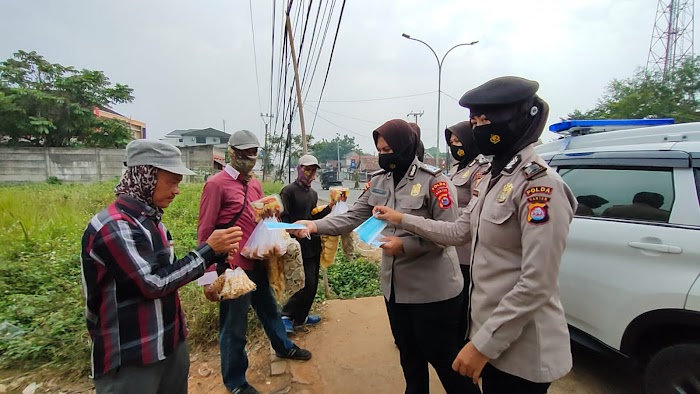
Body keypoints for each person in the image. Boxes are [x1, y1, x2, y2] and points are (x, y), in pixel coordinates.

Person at [374, 77, 577, 394]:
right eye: (474, 121)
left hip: (524, 348)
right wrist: (402, 218)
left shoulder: (539, 185)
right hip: (494, 338)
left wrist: (482, 345)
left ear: (518, 119)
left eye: (485, 120)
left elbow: (537, 282)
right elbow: (457, 231)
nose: (478, 128)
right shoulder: (497, 179)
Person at [292, 119, 479, 394]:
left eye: (389, 148)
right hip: (396, 290)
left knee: (444, 360)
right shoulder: (379, 179)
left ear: (406, 146)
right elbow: (355, 215)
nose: (384, 154)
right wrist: (313, 226)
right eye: (380, 149)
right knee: (409, 355)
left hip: (433, 292)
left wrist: (405, 246)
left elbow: (449, 235)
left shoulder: (435, 182)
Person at [81, 140, 243, 394]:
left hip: (169, 342)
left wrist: (211, 268)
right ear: (146, 175)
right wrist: (209, 250)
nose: (177, 190)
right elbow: (153, 283)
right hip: (133, 354)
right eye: (172, 181)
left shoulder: (154, 222)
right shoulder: (114, 226)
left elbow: (172, 273)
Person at [197, 130, 311, 394]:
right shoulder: (216, 185)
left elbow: (263, 222)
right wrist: (208, 278)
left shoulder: (255, 184)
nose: (250, 158)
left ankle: (283, 347)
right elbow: (204, 233)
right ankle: (235, 382)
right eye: (245, 153)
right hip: (233, 269)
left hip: (257, 262)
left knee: (270, 309)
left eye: (254, 152)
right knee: (234, 327)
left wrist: (284, 228)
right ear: (232, 153)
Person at [444, 120, 490, 339]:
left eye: (458, 140)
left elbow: (475, 206)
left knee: (466, 303)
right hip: (448, 243)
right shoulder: (455, 169)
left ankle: (465, 343)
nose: (454, 145)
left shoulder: (480, 169)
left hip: (466, 250)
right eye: (451, 142)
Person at [280, 154, 333, 332]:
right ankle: (286, 316)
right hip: (296, 246)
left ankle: (301, 318)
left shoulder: (313, 193)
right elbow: (283, 218)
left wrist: (330, 208)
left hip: (312, 244)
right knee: (300, 283)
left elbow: (313, 217)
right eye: (307, 169)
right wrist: (293, 233)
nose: (310, 173)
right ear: (299, 169)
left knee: (312, 284)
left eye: (313, 170)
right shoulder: (288, 191)